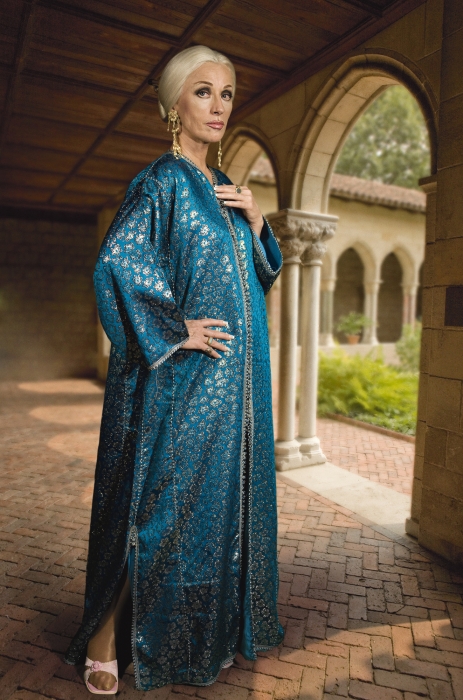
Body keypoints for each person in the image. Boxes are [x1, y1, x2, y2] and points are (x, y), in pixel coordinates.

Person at [65, 44, 284, 693]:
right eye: (202, 91)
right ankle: (105, 634)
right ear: (173, 105)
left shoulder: (226, 194)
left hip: (236, 390)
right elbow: (116, 263)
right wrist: (174, 327)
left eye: (225, 93)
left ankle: (192, 637)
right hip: (182, 386)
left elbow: (253, 281)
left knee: (212, 520)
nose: (217, 105)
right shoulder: (160, 182)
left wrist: (257, 222)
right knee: (159, 511)